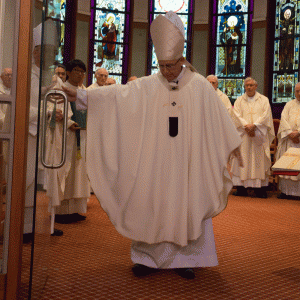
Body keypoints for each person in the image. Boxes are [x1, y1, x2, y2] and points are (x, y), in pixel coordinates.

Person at [63, 11, 242, 280]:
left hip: (187, 164)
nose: (166, 71)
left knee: (187, 203)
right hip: (154, 162)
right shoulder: (147, 86)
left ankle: (186, 258)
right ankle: (147, 258)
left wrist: (232, 144)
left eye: (171, 65)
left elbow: (219, 120)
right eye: (162, 65)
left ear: (182, 60)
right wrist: (83, 95)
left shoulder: (201, 88)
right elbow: (117, 96)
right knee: (150, 203)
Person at [53, 59, 90, 224]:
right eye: (76, 70)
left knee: (80, 173)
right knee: (67, 172)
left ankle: (76, 209)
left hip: (82, 137)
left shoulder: (84, 91)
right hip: (66, 137)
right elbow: (54, 109)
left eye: (82, 71)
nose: (80, 74)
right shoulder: (60, 89)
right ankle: (62, 211)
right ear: (68, 72)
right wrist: (68, 123)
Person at [230, 77, 275, 198]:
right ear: (244, 87)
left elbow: (266, 115)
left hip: (258, 134)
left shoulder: (264, 100)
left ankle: (260, 189)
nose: (249, 87)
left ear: (256, 86)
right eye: (247, 85)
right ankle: (241, 188)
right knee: (242, 158)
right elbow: (236, 115)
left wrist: (254, 126)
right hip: (244, 134)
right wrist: (246, 126)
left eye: (251, 85)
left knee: (258, 159)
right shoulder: (239, 100)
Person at [276, 82, 300, 198]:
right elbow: (283, 119)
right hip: (289, 140)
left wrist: (299, 132)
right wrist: (290, 133)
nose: (299, 93)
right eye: (297, 91)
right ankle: (286, 192)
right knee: (288, 166)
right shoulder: (289, 105)